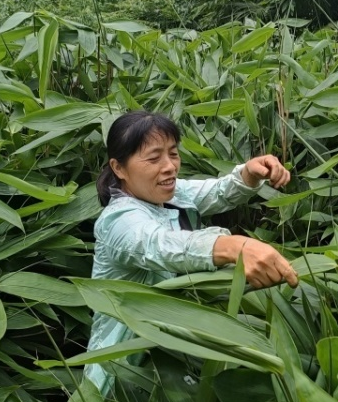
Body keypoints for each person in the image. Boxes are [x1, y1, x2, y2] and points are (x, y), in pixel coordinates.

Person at [85, 110, 299, 394]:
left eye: (173, 154)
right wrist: (232, 246)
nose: (170, 166)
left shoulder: (170, 193)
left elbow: (218, 192)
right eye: (153, 158)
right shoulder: (118, 220)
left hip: (177, 341)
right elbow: (159, 245)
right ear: (119, 168)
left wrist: (249, 173)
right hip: (125, 365)